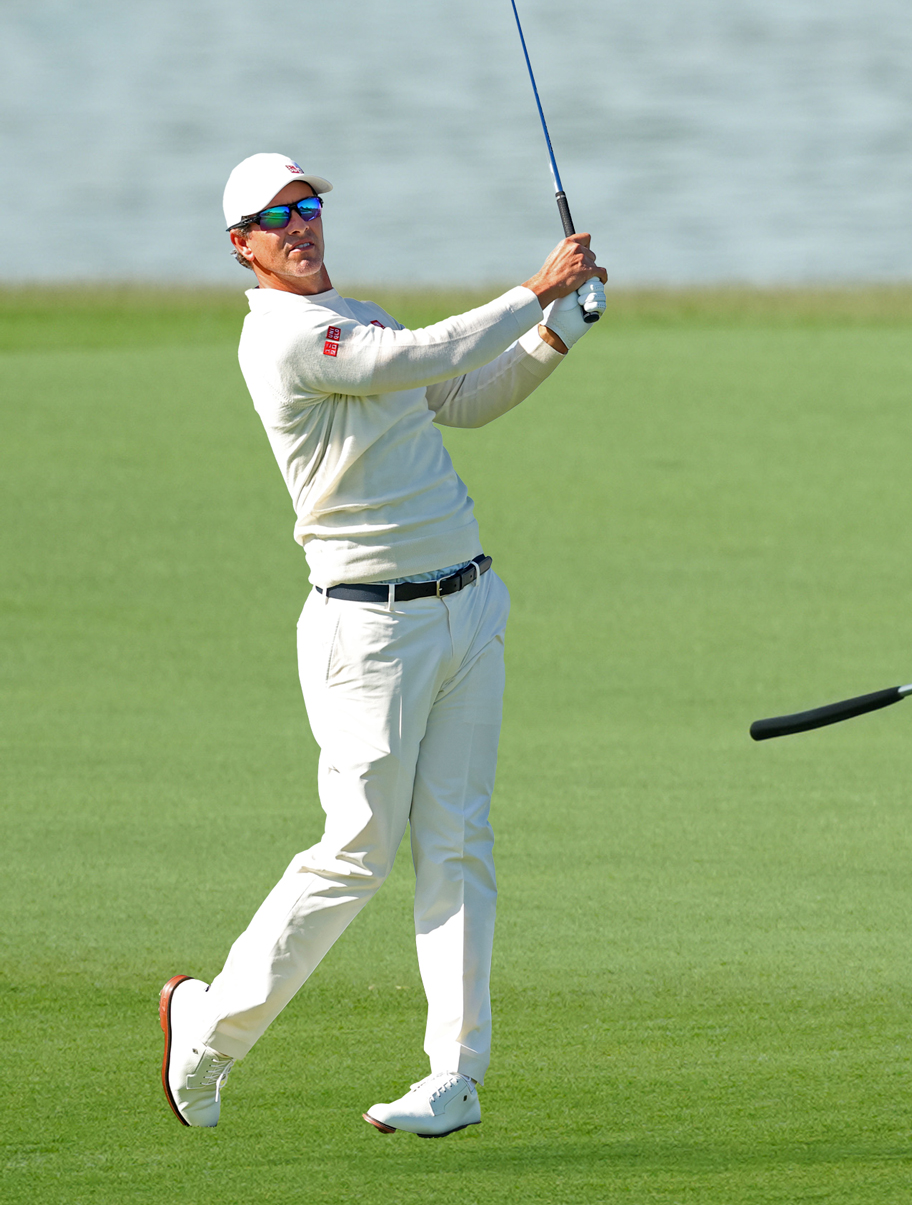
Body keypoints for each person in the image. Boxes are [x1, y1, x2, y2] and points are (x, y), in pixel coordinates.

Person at [159, 153, 608, 1138]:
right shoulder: (288, 340)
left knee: (459, 842)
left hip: (468, 606)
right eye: (277, 216)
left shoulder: (357, 310)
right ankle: (206, 1032)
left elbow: (460, 397)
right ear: (243, 245)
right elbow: (412, 361)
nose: (301, 224)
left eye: (310, 205)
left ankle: (454, 1074)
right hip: (368, 629)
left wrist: (556, 332)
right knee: (356, 852)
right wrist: (534, 287)